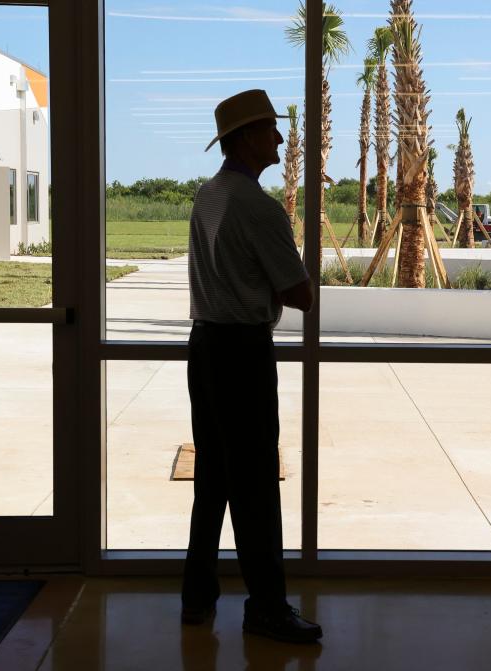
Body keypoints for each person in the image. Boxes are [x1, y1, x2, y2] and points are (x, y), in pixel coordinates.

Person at [181, 89, 318, 644]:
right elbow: (301, 293)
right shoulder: (259, 207)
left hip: (205, 348)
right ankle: (266, 607)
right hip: (242, 354)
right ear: (244, 139)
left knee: (213, 477)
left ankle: (197, 596)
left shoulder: (206, 197)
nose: (281, 139)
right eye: (270, 130)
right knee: (257, 485)